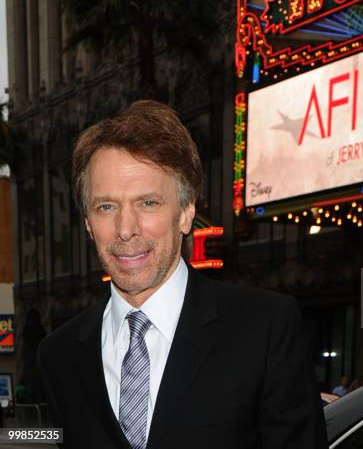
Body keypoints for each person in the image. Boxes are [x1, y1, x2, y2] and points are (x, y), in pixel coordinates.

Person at [36, 101, 328, 449]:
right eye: (106, 207)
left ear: (186, 213)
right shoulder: (59, 355)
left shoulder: (264, 329)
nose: (125, 229)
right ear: (87, 222)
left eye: (148, 203)